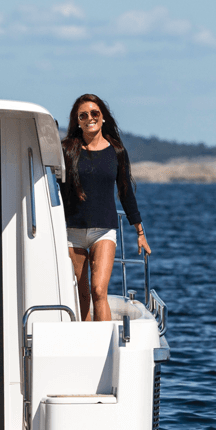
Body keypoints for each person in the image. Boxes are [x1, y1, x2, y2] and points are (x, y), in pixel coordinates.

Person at [61, 94, 150, 322]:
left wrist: (139, 232)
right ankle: (85, 345)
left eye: (94, 113)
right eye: (83, 115)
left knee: (98, 291)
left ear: (102, 117)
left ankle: (105, 348)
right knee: (81, 294)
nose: (89, 118)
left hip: (104, 231)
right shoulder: (67, 150)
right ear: (77, 121)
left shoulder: (116, 151)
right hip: (73, 232)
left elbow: (125, 192)